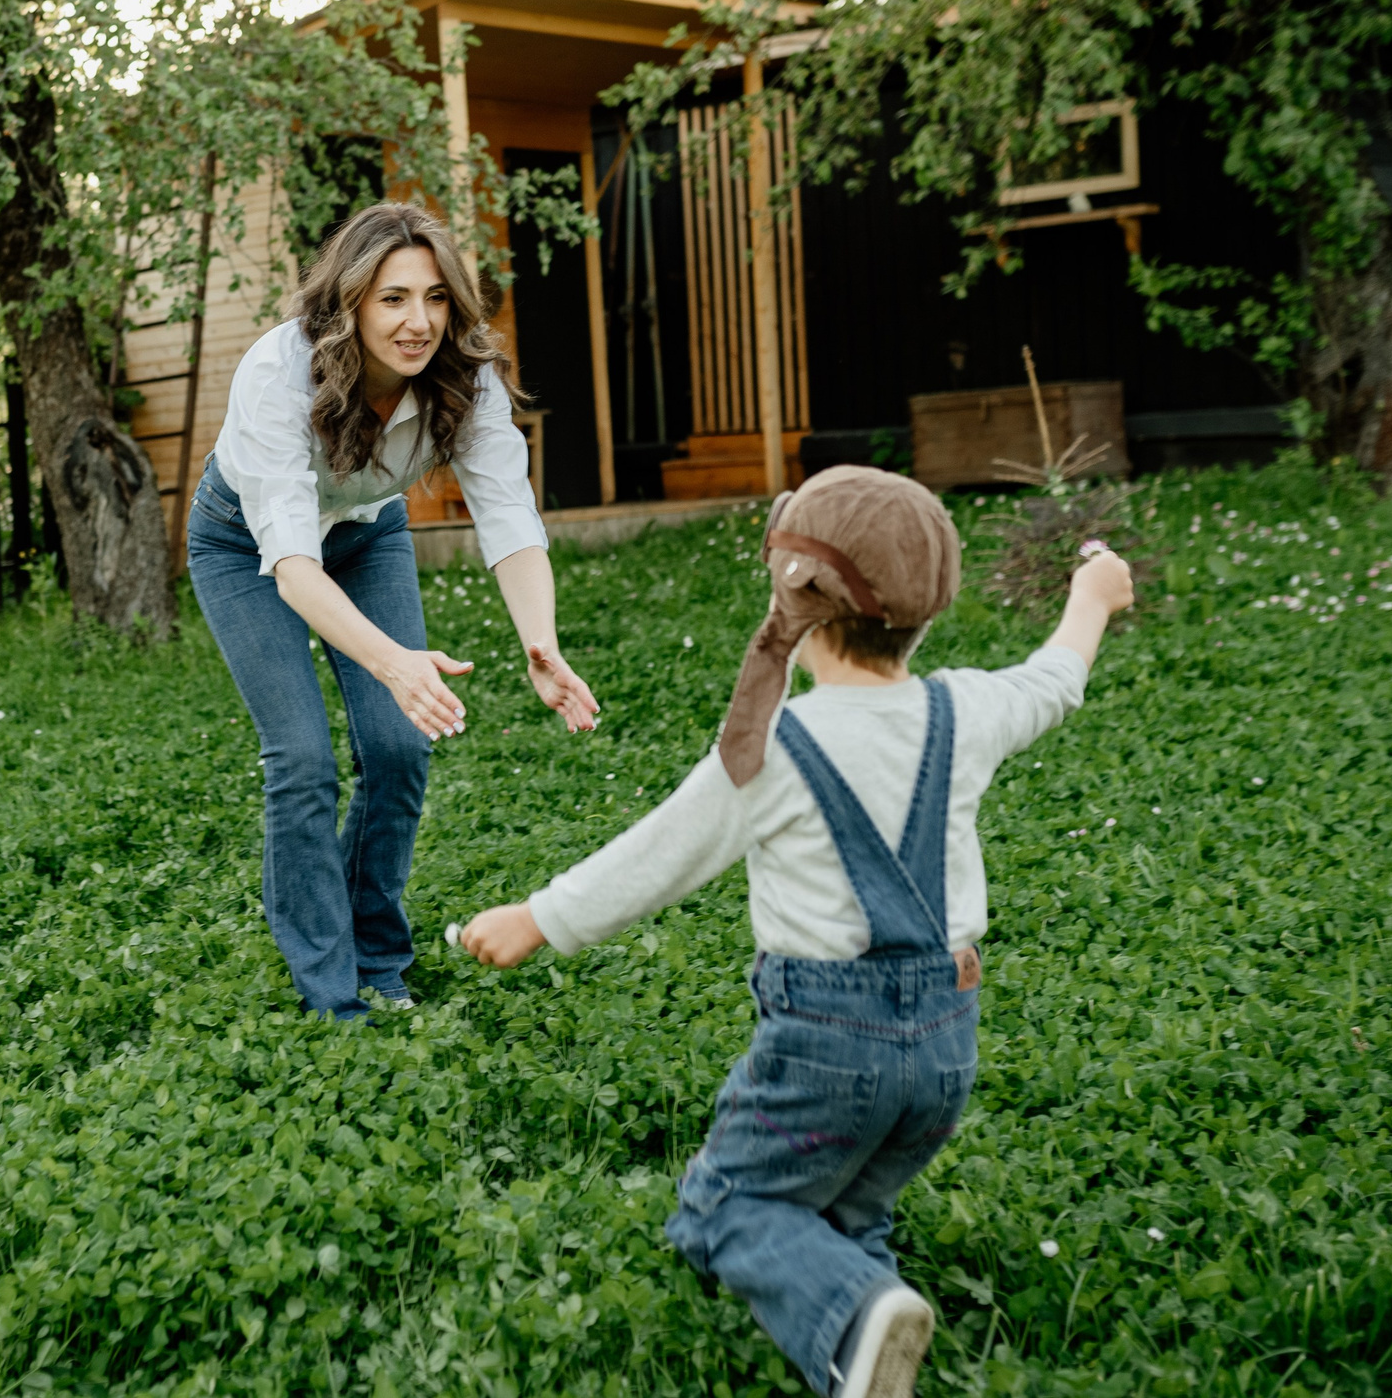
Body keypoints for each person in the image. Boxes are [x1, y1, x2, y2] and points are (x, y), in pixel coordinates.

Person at [455, 466, 1136, 1398]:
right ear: (927, 611)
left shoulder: (772, 746)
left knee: (728, 1205)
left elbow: (659, 854)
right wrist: (1090, 596)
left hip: (828, 1041)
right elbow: (1055, 679)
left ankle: (855, 1316)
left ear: (797, 601)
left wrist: (538, 918)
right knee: (848, 1199)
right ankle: (865, 1303)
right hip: (946, 1042)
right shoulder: (965, 709)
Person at [186, 200, 601, 1020]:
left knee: (399, 748)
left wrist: (540, 641)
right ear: (350, 301)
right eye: (394, 298)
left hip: (367, 537)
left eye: (437, 298)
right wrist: (394, 662)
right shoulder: (279, 374)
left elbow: (508, 515)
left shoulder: (465, 377)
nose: (420, 322)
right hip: (246, 545)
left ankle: (377, 955)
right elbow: (294, 567)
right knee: (302, 758)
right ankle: (330, 991)